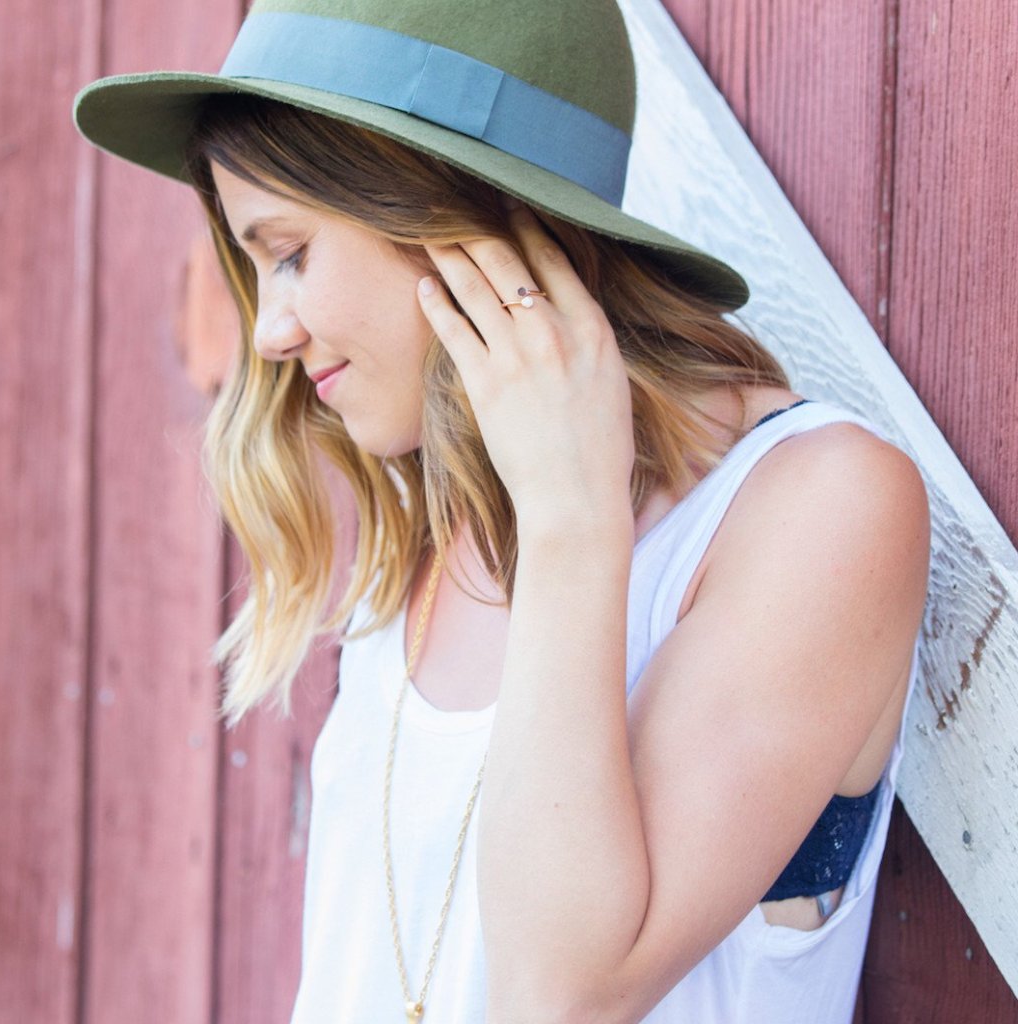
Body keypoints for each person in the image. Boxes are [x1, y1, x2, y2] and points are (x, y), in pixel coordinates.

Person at [73, 0, 931, 1021]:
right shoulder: (438, 531)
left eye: (291, 251)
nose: (269, 330)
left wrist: (572, 520)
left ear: (451, 215)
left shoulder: (812, 508)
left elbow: (558, 994)